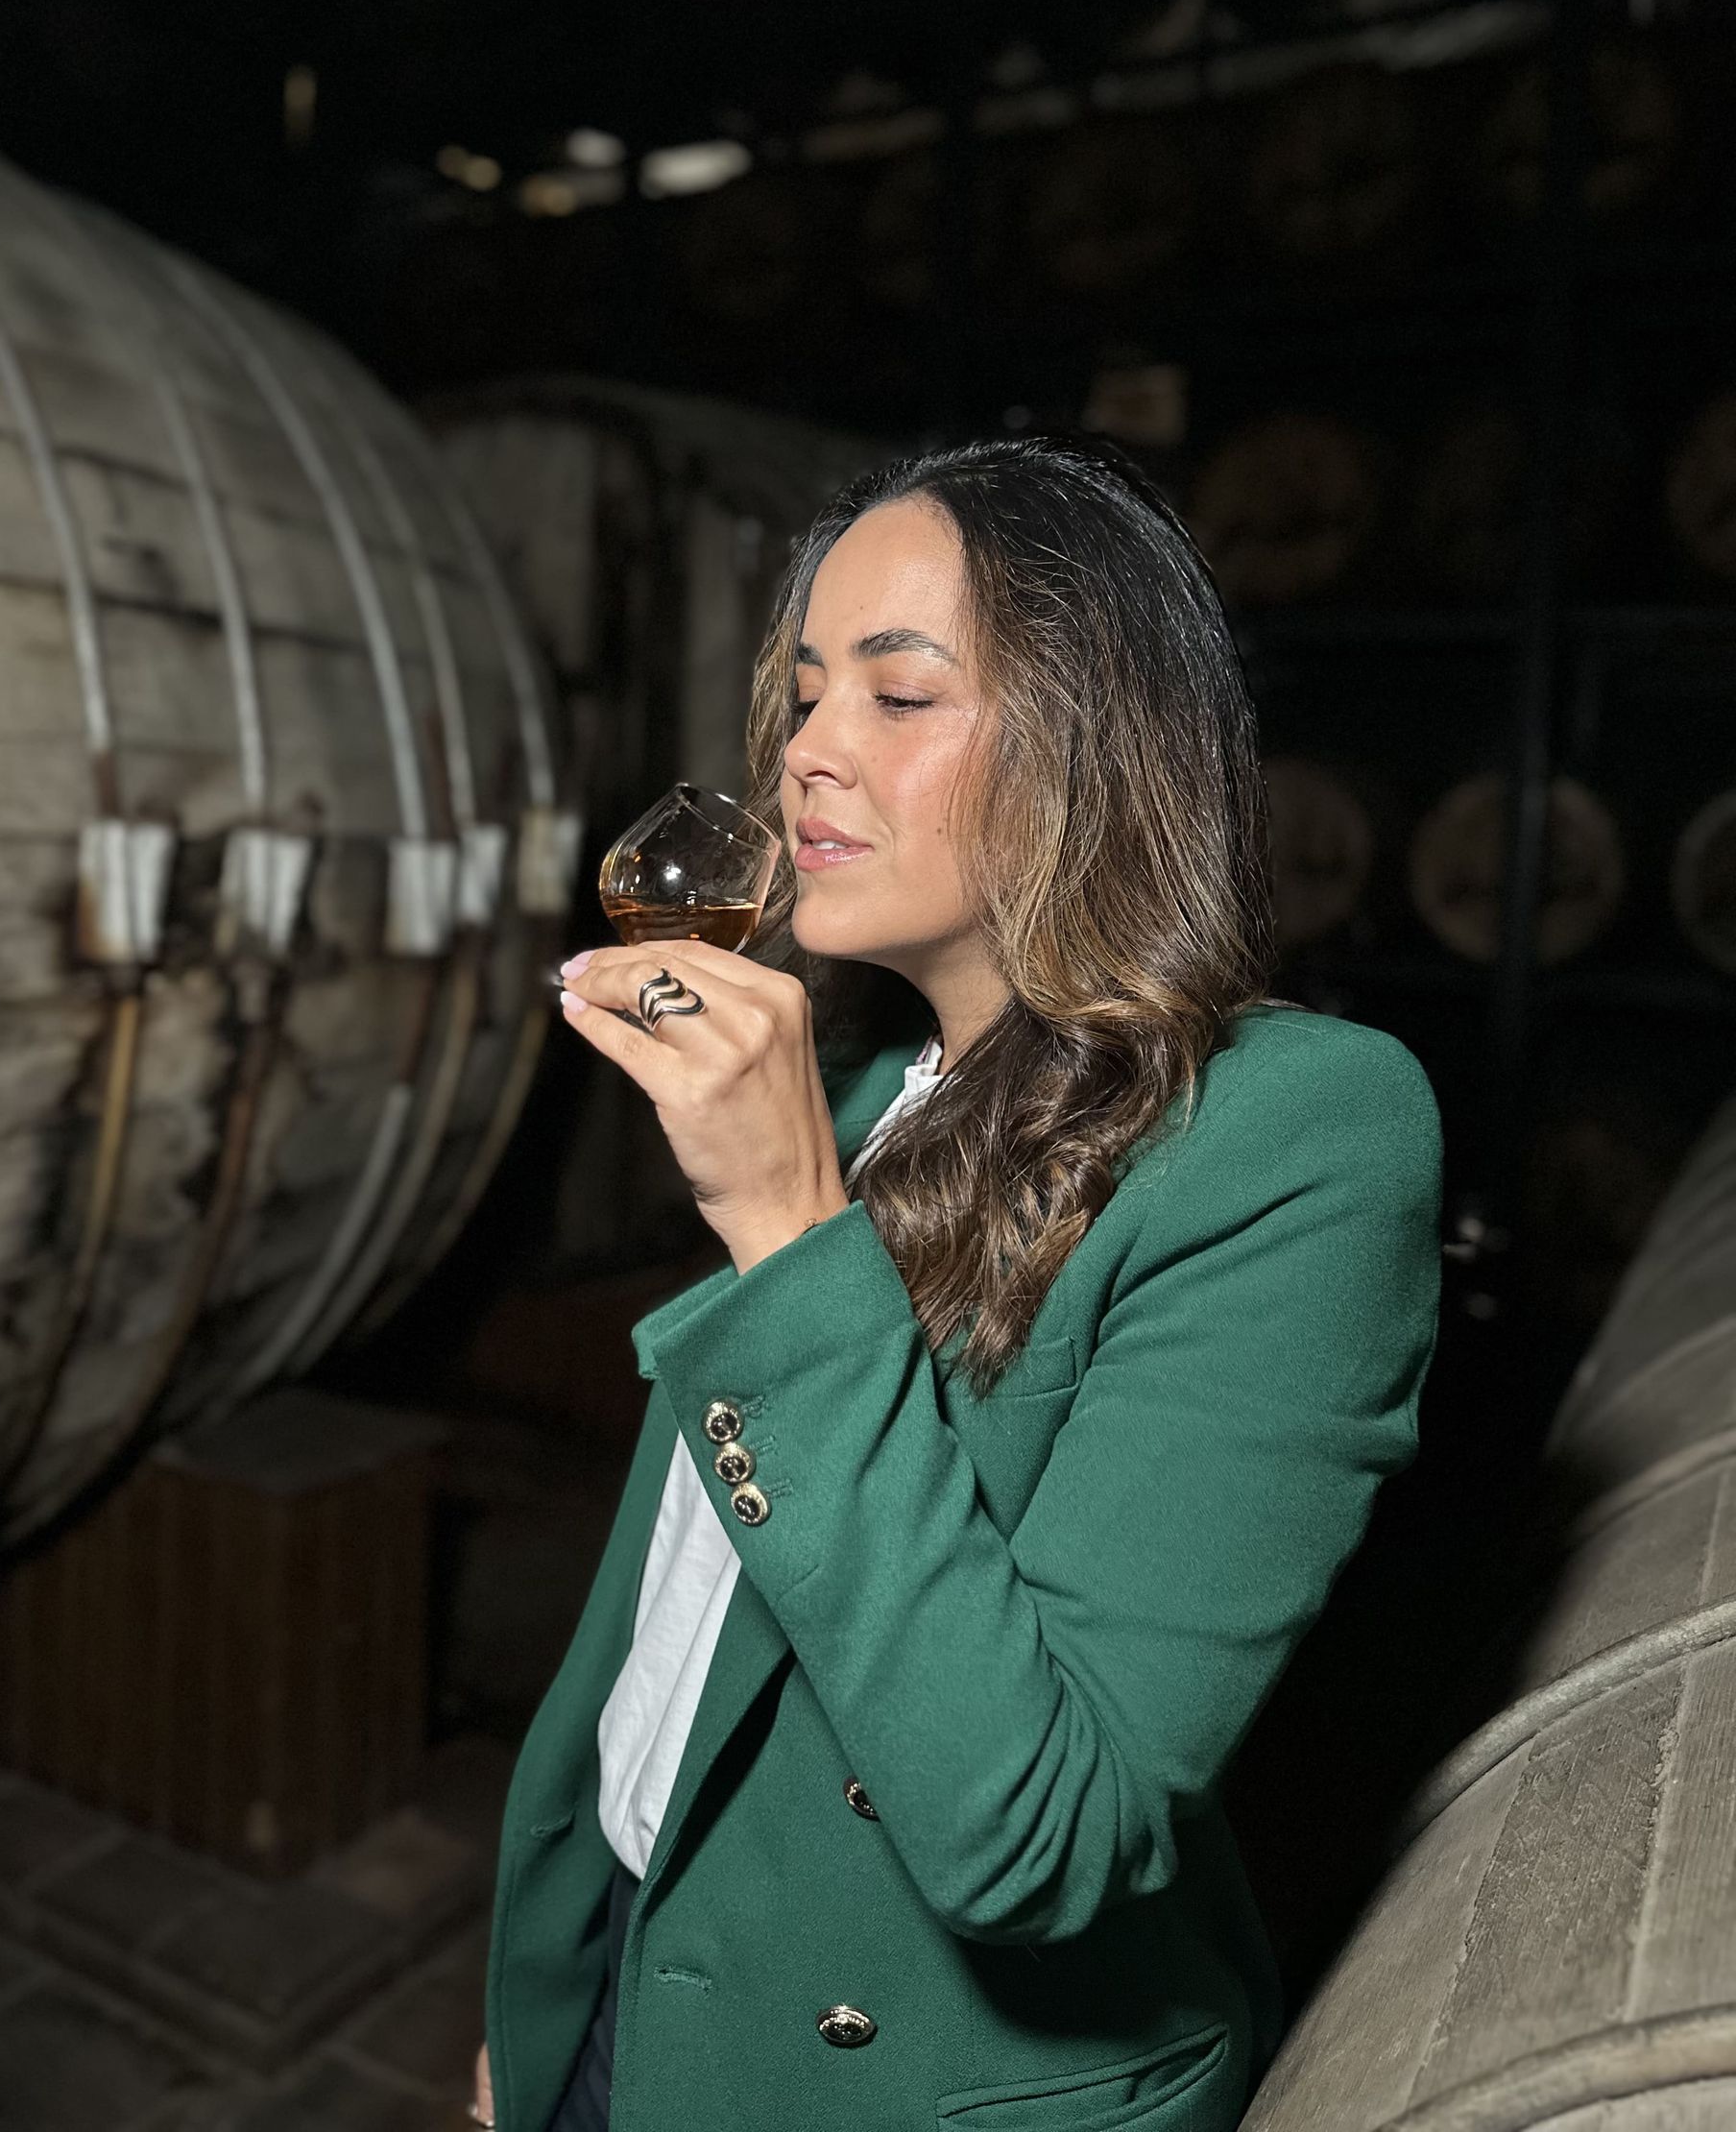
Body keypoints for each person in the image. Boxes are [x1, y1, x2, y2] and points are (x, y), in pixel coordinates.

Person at [471, 434, 1443, 2132]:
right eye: (800, 694)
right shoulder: (865, 1097)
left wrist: (784, 1230)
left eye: (898, 698)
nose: (806, 757)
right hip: (649, 1964)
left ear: (1097, 741)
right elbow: (683, 1627)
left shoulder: (1301, 1136)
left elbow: (1041, 1828)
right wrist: (558, 1992)